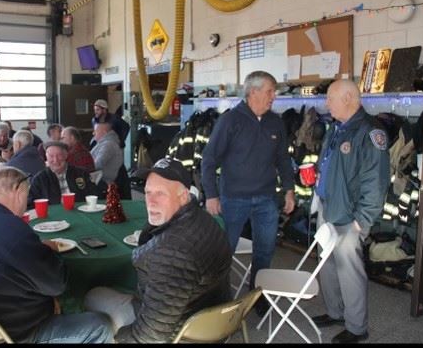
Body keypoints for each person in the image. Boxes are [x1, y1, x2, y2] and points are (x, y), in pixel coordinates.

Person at [0, 166, 113, 343]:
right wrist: (50, 251)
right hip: (4, 334)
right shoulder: (11, 228)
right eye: (27, 194)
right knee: (99, 325)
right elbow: (57, 283)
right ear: (18, 191)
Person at [83, 157, 232, 343]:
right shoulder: (205, 219)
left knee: (92, 295)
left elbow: (151, 335)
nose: (151, 202)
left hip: (183, 331)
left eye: (160, 194)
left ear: (183, 196)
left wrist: (118, 339)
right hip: (212, 314)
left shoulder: (172, 251)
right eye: (147, 192)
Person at [201, 70, 295, 311]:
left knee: (264, 251)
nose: (274, 96)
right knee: (224, 252)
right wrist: (211, 195)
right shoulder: (230, 121)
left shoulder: (276, 122)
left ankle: (257, 298)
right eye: (269, 91)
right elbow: (209, 160)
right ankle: (218, 301)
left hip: (266, 199)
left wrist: (289, 190)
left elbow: (284, 159)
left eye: (274, 92)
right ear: (253, 92)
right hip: (232, 199)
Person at [311, 79, 390, 344]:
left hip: (349, 216)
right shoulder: (337, 127)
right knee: (328, 264)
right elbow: (331, 163)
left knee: (349, 270)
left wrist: (361, 221)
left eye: (330, 98)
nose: (326, 103)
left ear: (348, 98)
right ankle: (335, 312)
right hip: (328, 207)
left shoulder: (370, 132)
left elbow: (375, 182)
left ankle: (357, 328)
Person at [28, 141, 101, 207]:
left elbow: (95, 194)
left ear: (66, 156)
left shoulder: (81, 173)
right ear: (46, 158)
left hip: (80, 213)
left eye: (59, 155)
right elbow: (31, 202)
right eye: (51, 156)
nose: (55, 160)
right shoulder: (39, 179)